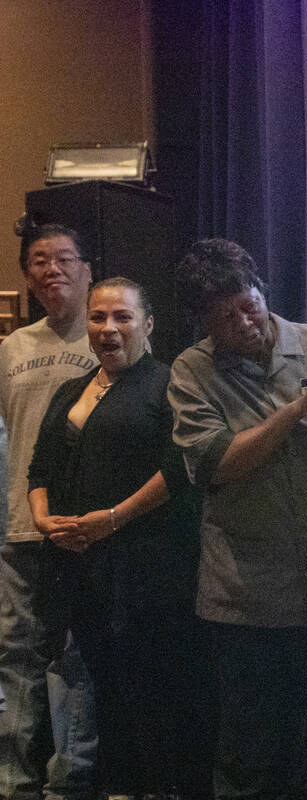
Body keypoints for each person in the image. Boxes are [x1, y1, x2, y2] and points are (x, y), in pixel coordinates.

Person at [167, 239, 307, 800]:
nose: (244, 321)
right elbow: (218, 465)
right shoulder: (192, 371)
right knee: (249, 751)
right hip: (246, 594)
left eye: (248, 303)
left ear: (261, 290)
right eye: (225, 318)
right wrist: (295, 410)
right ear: (203, 323)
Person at [28, 277, 210, 799]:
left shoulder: (169, 383)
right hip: (80, 572)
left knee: (155, 690)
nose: (108, 329)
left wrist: (113, 518)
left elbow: (179, 467)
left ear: (148, 325)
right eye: (98, 317)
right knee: (107, 691)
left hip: (149, 571)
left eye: (122, 317)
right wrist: (44, 520)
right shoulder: (71, 388)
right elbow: (38, 469)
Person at [0, 223, 98, 800]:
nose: (52, 269)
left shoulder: (108, 336)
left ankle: (72, 780)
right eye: (39, 260)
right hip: (18, 529)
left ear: (87, 269)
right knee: (16, 657)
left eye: (65, 258)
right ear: (27, 275)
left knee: (77, 660)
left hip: (86, 530)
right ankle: (14, 781)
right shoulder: (11, 348)